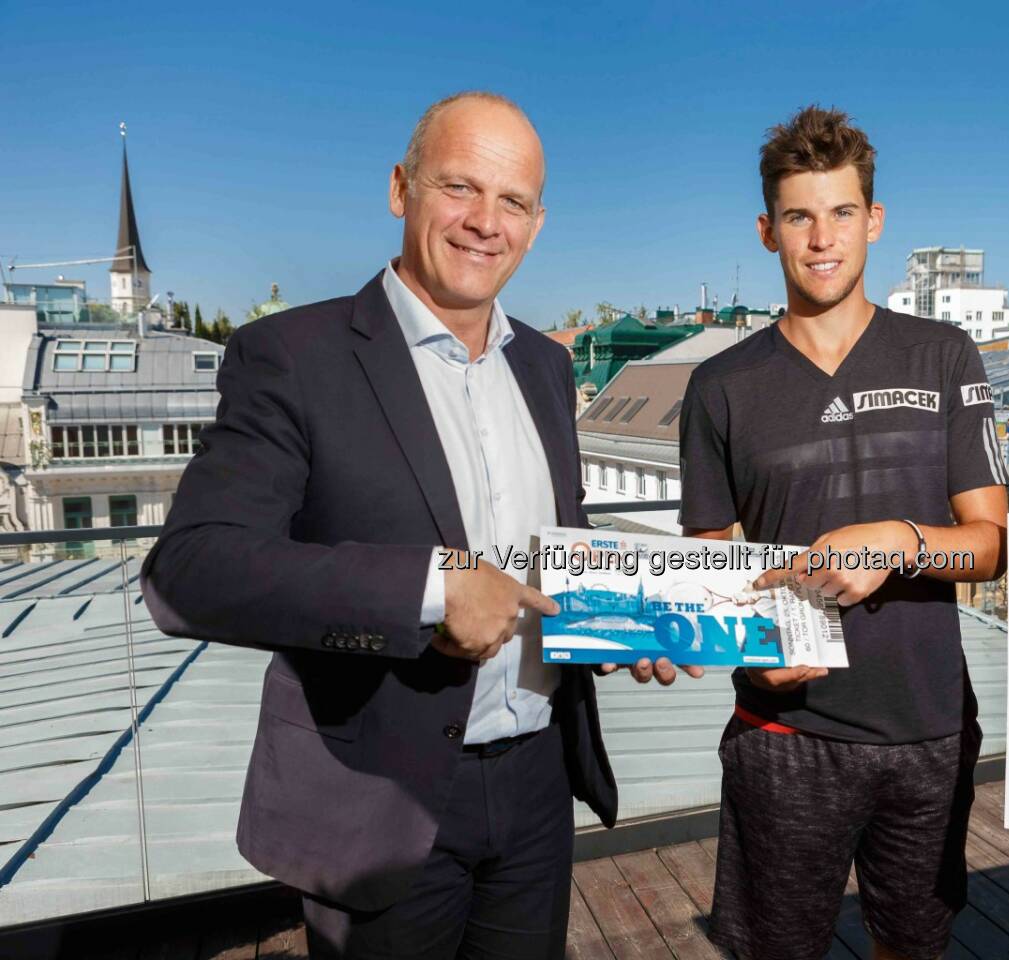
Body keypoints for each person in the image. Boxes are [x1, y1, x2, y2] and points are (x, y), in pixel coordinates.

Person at [141, 91, 680, 959]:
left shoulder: (546, 366)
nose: (484, 223)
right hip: (381, 795)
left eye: (512, 201)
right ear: (402, 189)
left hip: (539, 782)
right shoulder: (293, 356)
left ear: (538, 225)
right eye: (460, 187)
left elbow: (554, 554)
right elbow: (190, 570)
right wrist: (431, 589)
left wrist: (614, 623)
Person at [679, 106, 1009, 960]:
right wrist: (744, 647)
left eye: (841, 212)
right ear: (767, 230)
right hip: (785, 730)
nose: (821, 238)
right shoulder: (719, 385)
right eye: (798, 216)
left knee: (915, 945)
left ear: (876, 221)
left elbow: (991, 543)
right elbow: (709, 559)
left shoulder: (944, 356)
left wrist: (898, 540)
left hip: (928, 726)